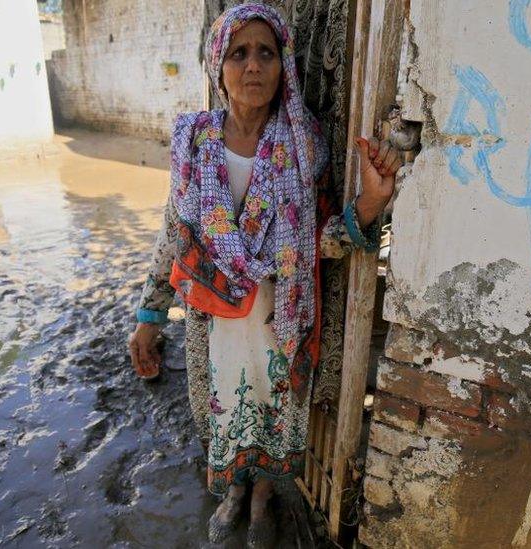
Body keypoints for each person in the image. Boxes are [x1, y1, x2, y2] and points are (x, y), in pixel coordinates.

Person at [128, 4, 401, 546]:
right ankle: (231, 492)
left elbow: (317, 242)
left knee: (272, 414)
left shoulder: (305, 146)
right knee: (224, 414)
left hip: (281, 317)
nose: (253, 65)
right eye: (239, 53)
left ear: (284, 67)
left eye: (266, 53)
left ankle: (260, 501)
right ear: (217, 65)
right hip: (215, 322)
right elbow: (174, 238)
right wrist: (149, 315)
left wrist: (370, 203)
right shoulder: (193, 142)